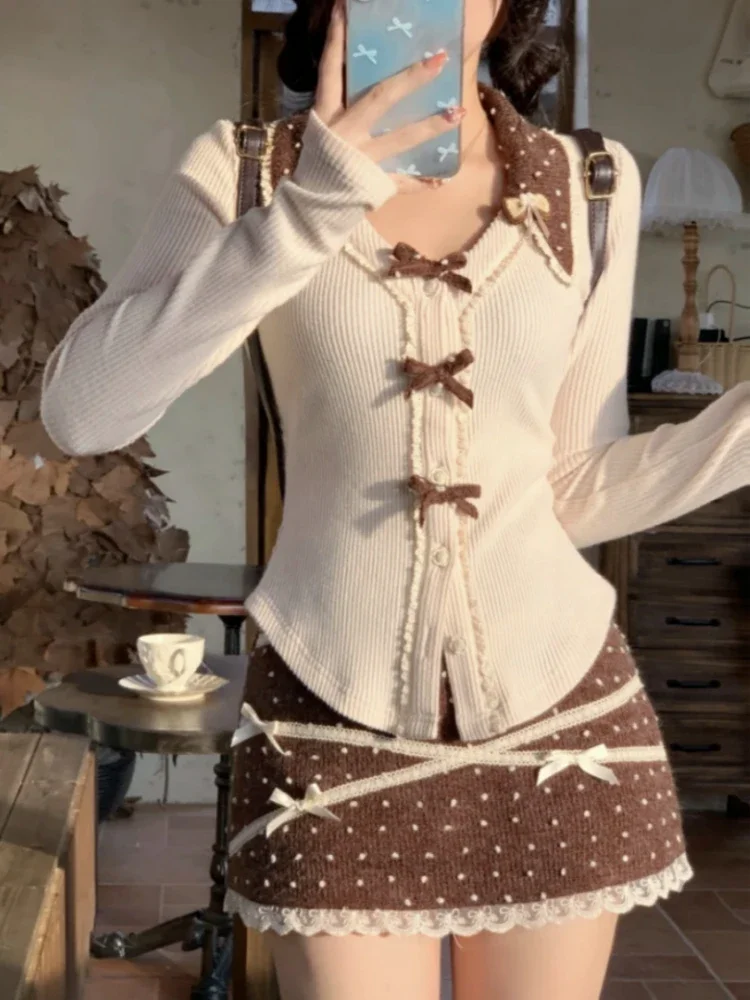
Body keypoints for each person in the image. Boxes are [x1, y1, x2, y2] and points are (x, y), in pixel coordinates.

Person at [41, 1, 750, 997]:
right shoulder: (248, 170)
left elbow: (572, 487)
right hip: (329, 718)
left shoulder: (590, 183)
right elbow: (82, 411)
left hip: (562, 721)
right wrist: (313, 205)